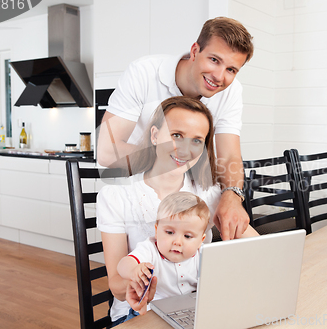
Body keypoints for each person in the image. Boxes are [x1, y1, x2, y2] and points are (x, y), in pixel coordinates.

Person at [96, 96, 258, 326]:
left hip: (199, 308)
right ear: (154, 135)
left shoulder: (209, 195)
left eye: (196, 141)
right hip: (140, 313)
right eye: (176, 135)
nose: (185, 149)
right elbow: (116, 284)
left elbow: (258, 247)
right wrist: (135, 286)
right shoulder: (117, 196)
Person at [97, 16, 254, 241]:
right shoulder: (143, 73)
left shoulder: (231, 91)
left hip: (190, 192)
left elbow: (229, 156)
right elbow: (106, 152)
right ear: (194, 51)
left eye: (231, 69)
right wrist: (174, 160)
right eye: (213, 60)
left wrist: (233, 195)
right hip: (143, 197)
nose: (219, 76)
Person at [117, 192, 209, 306]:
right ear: (156, 230)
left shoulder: (203, 254)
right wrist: (133, 271)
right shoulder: (150, 250)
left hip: (190, 311)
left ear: (201, 240)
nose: (177, 242)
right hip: (153, 311)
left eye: (187, 236)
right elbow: (123, 264)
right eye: (170, 232)